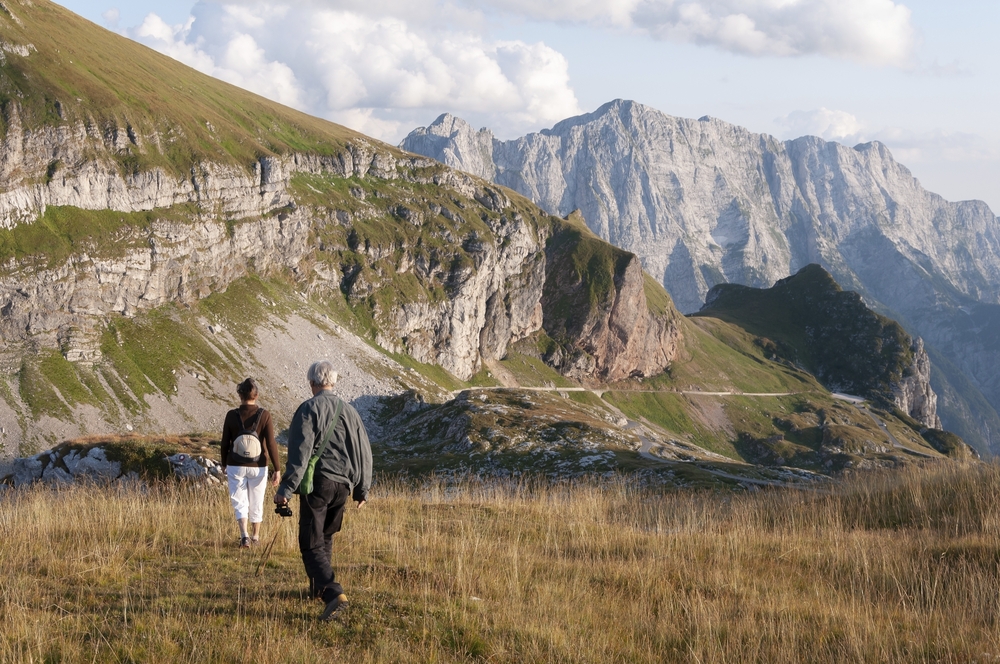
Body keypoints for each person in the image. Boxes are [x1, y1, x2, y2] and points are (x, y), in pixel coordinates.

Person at [274, 360, 372, 621]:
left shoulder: (308, 409)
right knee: (326, 536)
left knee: (310, 542)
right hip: (344, 486)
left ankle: (333, 594)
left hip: (318, 483)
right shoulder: (351, 411)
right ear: (333, 381)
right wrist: (362, 490)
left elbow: (300, 453)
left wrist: (286, 488)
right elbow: (364, 452)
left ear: (312, 383)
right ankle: (318, 591)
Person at [221, 377, 281, 549]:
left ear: (240, 394)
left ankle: (244, 536)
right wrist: (277, 469)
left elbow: (225, 442)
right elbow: (271, 443)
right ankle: (256, 536)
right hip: (259, 465)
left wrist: (224, 462)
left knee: (240, 501)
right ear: (257, 395)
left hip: (235, 464)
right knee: (257, 500)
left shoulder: (231, 415)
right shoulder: (265, 415)